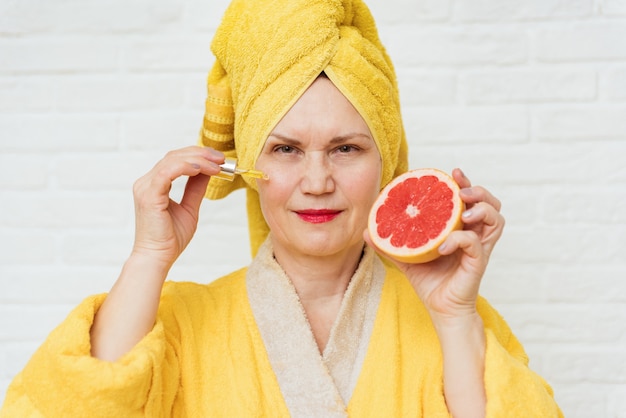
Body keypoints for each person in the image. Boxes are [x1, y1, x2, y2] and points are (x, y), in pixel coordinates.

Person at [1, 0, 563, 417]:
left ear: (387, 164)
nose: (316, 182)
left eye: (346, 149)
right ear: (249, 164)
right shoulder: (172, 323)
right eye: (286, 149)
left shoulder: (454, 321)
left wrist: (454, 317)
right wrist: (151, 253)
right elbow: (69, 406)